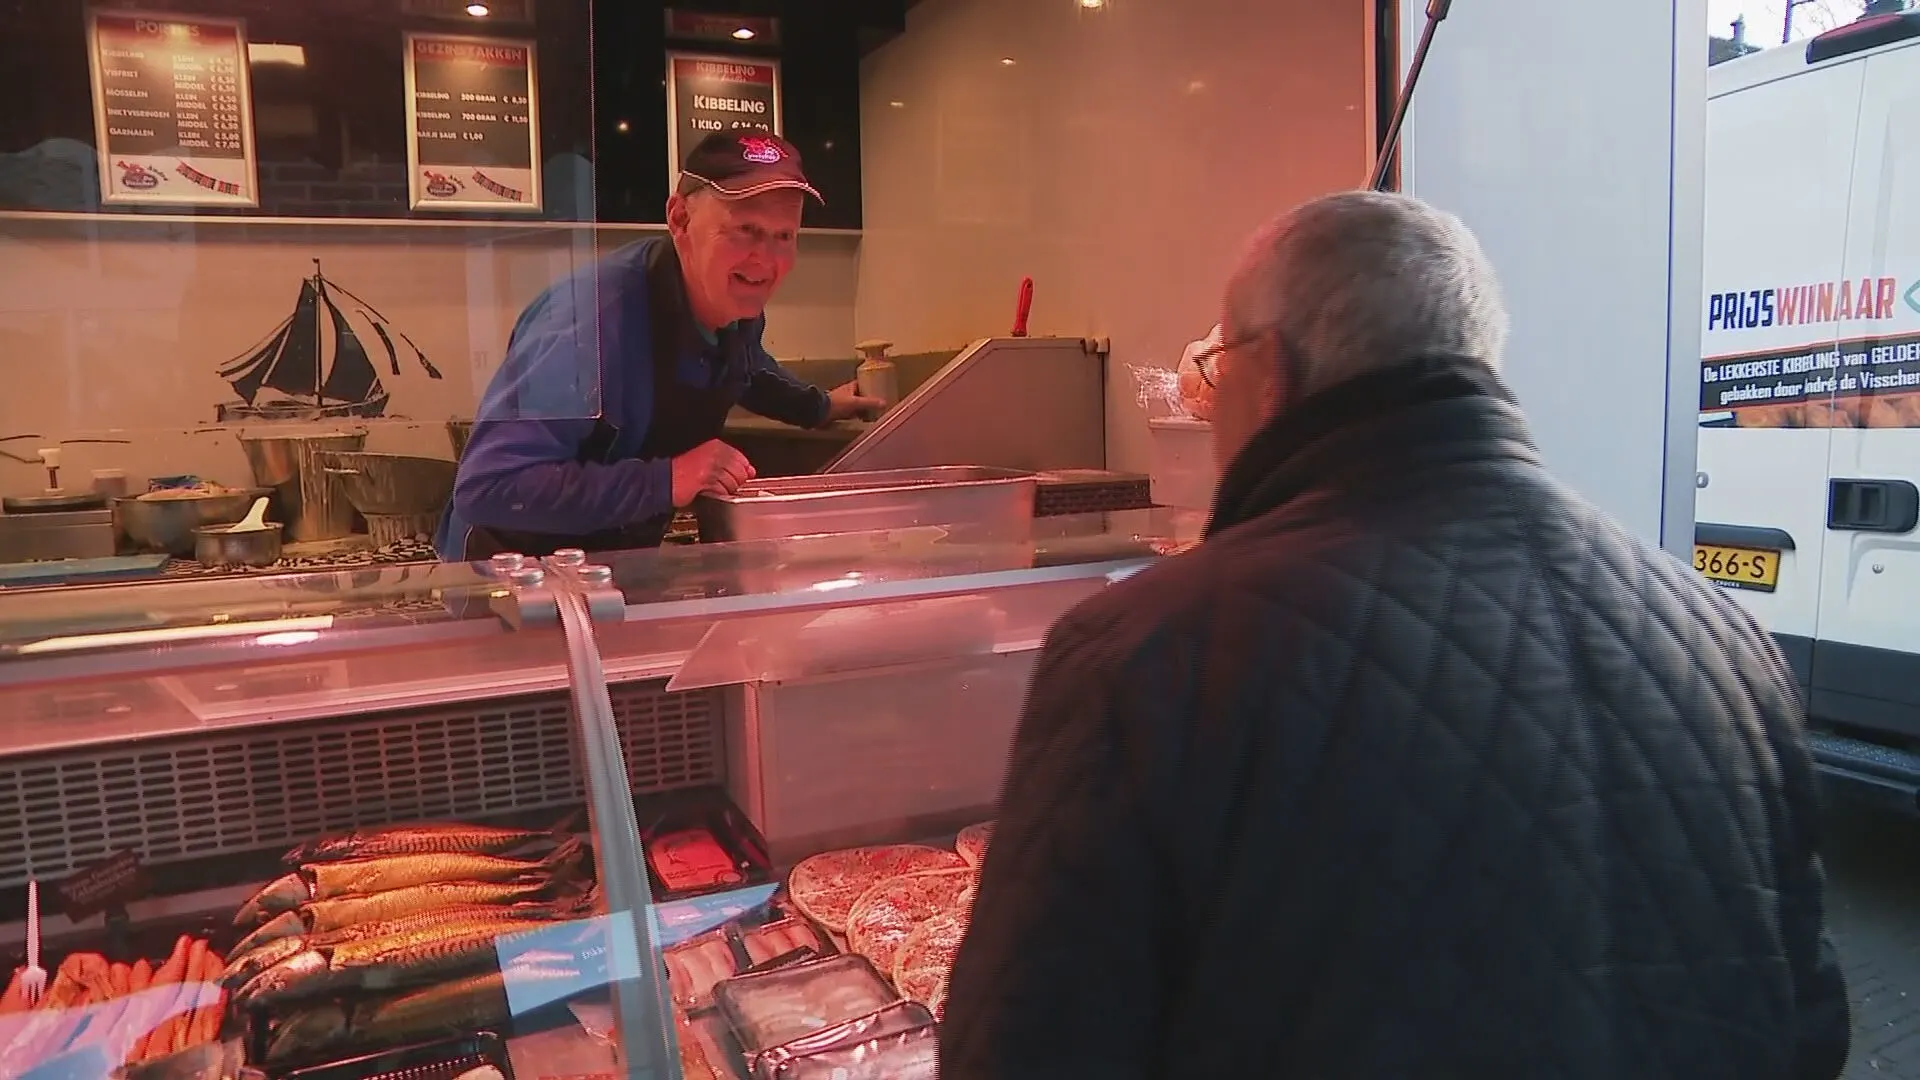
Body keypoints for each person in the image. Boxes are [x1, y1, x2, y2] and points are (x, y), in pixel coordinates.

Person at [940, 191, 1851, 1079]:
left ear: (1275, 375)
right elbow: (1809, 1023)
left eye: (1217, 371)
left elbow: (1023, 1049)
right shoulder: (1726, 640)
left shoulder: (1144, 655)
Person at [434, 131, 881, 560]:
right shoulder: (588, 330)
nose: (765, 260)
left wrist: (820, 406)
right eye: (745, 228)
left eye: (784, 235)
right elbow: (489, 488)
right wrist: (666, 481)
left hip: (608, 564)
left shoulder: (729, 305)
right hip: (508, 577)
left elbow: (748, 368)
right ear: (680, 219)